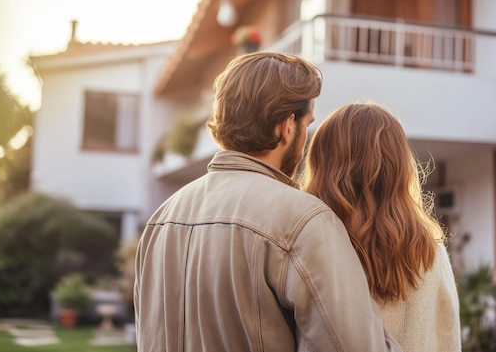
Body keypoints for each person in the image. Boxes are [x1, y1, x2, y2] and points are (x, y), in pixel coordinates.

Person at [134, 53, 401, 352]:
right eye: (307, 124)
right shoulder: (303, 219)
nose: (304, 139)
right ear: (286, 126)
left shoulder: (162, 218)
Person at [301, 102, 462, 352]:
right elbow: (446, 338)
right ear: (398, 166)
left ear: (321, 166)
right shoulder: (429, 251)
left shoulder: (307, 246)